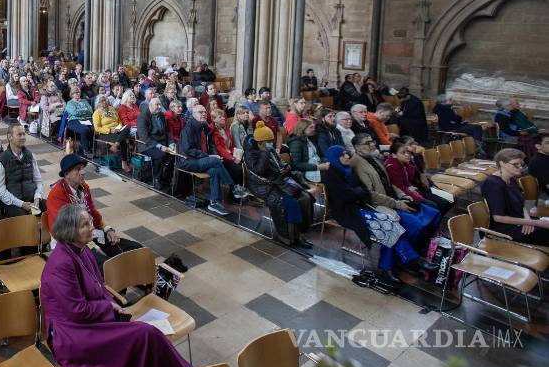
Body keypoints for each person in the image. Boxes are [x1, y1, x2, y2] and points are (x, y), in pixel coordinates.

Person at [40, 203, 192, 367]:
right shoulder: (61, 264)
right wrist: (109, 307)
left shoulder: (83, 250)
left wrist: (112, 307)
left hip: (92, 319)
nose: (91, 227)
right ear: (69, 231)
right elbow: (77, 311)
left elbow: (99, 286)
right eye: (85, 225)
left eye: (89, 222)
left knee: (148, 336)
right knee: (145, 335)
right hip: (72, 334)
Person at [325, 145, 431, 283]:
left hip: (362, 206)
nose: (347, 156)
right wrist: (357, 193)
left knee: (390, 223)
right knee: (386, 224)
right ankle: (408, 260)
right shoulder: (331, 175)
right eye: (343, 155)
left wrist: (356, 193)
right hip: (347, 213)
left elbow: (362, 191)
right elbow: (347, 196)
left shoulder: (349, 170)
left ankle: (391, 265)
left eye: (346, 153)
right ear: (335, 158)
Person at [46, 156, 144, 266]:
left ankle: (146, 281)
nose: (83, 172)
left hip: (91, 234)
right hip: (71, 244)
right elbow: (65, 231)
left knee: (136, 249)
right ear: (66, 174)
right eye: (78, 169)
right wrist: (94, 247)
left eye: (83, 168)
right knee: (108, 267)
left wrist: (107, 229)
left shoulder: (84, 187)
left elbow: (92, 212)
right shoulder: (56, 194)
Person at [243, 121, 314, 249]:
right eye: (268, 141)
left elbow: (281, 162)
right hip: (262, 186)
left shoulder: (269, 148)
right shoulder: (250, 154)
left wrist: (284, 168)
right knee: (290, 202)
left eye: (271, 140)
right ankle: (291, 236)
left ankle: (301, 231)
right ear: (260, 142)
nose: (271, 143)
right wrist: (264, 153)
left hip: (278, 180)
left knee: (305, 197)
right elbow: (259, 171)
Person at [481, 148, 549, 246]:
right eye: (515, 164)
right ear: (501, 163)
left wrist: (528, 220)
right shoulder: (493, 184)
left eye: (521, 164)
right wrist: (537, 223)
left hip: (519, 219)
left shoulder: (511, 179)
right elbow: (498, 218)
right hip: (503, 228)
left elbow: (522, 203)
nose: (520, 167)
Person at [178, 105, 235, 216]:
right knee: (215, 162)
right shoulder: (188, 128)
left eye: (205, 112)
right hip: (188, 160)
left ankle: (214, 202)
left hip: (201, 159)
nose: (204, 114)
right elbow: (188, 150)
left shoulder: (204, 126)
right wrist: (208, 156)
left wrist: (213, 155)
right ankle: (233, 187)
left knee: (214, 170)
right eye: (200, 112)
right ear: (193, 114)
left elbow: (211, 143)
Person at [0, 123, 43, 217]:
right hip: (13, 203)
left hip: (32, 200)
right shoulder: (1, 160)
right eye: (19, 134)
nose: (23, 137)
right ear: (10, 137)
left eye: (24, 134)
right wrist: (21, 204)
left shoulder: (30, 156)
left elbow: (38, 181)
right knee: (24, 221)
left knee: (53, 210)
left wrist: (37, 197)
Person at [93, 95, 132, 171]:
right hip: (105, 133)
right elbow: (97, 128)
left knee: (127, 127)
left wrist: (119, 127)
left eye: (105, 100)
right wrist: (110, 130)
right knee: (123, 141)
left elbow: (119, 121)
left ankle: (116, 144)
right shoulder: (97, 113)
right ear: (98, 103)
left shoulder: (111, 109)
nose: (104, 102)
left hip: (117, 130)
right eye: (102, 101)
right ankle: (124, 163)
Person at [64, 89, 95, 157]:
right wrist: (84, 110)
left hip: (87, 119)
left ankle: (93, 148)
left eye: (78, 92)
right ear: (72, 94)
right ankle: (86, 150)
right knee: (85, 130)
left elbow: (90, 111)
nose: (77, 94)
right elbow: (74, 113)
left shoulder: (84, 101)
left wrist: (80, 111)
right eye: (75, 92)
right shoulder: (70, 103)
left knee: (94, 129)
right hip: (74, 120)